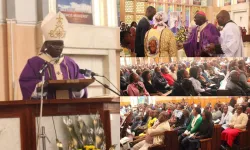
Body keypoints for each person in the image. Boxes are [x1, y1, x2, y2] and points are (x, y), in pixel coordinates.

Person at [19, 12, 87, 100]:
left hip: (70, 110)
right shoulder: (34, 63)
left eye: (60, 44)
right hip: (45, 110)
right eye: (55, 44)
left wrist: (78, 91)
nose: (59, 48)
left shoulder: (71, 63)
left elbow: (81, 84)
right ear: (46, 45)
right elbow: (26, 84)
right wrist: (39, 88)